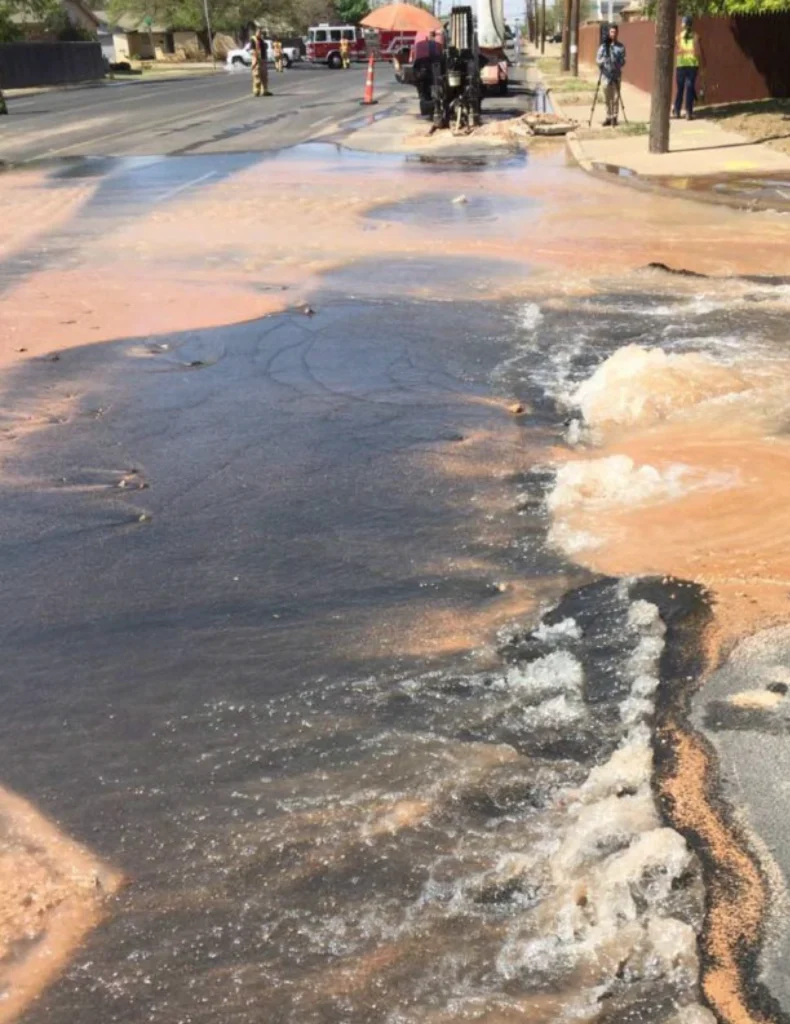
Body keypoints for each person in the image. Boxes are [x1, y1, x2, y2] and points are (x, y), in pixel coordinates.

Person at [595, 24, 626, 127]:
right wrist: (604, 61)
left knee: (616, 97)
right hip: (605, 75)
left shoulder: (620, 47)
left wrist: (617, 62)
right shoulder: (603, 46)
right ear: (609, 33)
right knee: (607, 98)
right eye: (612, 32)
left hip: (616, 75)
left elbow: (623, 61)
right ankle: (608, 117)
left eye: (615, 32)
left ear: (618, 33)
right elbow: (597, 60)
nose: (614, 34)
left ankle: (614, 118)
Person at [674, 15, 701, 120]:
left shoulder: (691, 36)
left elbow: (696, 51)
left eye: (683, 22)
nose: (682, 24)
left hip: (688, 65)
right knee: (686, 88)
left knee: (684, 88)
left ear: (686, 24)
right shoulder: (682, 36)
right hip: (686, 65)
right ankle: (682, 111)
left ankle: (683, 111)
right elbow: (697, 51)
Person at [251, 29, 271, 97]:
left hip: (263, 59)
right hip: (257, 59)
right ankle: (256, 91)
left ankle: (265, 90)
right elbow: (253, 50)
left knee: (264, 75)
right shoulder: (253, 40)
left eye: (260, 33)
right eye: (258, 32)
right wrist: (255, 60)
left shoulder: (261, 40)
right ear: (255, 33)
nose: (259, 34)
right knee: (257, 75)